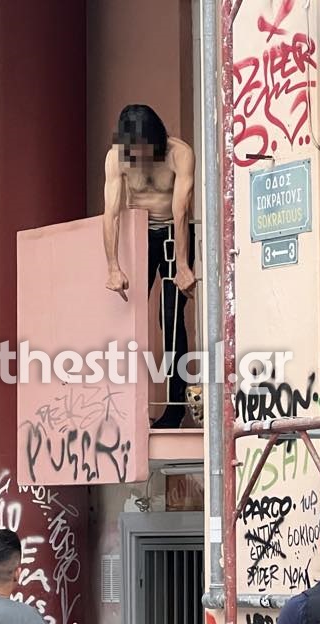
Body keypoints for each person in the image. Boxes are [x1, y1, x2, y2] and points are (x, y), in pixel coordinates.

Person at [102, 103, 197, 428]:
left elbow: (181, 212)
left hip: (173, 233)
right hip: (138, 235)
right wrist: (113, 266)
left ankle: (174, 408)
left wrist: (182, 265)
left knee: (170, 317)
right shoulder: (117, 158)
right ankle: (120, 405)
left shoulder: (179, 154)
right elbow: (111, 214)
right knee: (126, 320)